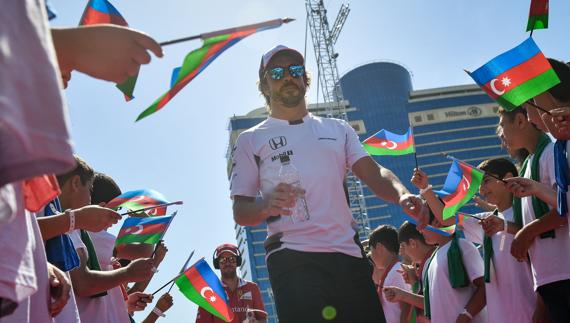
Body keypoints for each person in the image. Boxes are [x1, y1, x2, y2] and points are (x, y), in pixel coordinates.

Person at [230, 45, 423, 322]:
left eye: (295, 70)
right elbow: (241, 210)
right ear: (265, 85)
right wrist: (265, 204)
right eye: (277, 72)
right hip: (293, 258)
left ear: (305, 79)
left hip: (349, 255)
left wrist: (403, 195)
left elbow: (374, 173)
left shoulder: (337, 129)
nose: (288, 76)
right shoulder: (250, 139)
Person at [55, 156, 156, 323]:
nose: (117, 217)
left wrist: (126, 304)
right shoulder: (96, 236)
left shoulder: (75, 230)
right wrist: (144, 221)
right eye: (116, 210)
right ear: (102, 207)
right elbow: (143, 252)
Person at [196, 244, 267, 323]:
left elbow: (263, 319)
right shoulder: (209, 292)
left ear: (238, 261)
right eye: (223, 260)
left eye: (232, 259)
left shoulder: (252, 288)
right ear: (217, 264)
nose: (227, 263)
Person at [383, 221, 435, 323]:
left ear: (413, 243)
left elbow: (435, 303)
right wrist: (414, 282)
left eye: (403, 246)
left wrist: (403, 295)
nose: (403, 253)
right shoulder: (427, 264)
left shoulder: (434, 263)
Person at [368, 225, 410, 323]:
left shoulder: (397, 271)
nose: (371, 255)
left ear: (379, 247)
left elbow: (407, 308)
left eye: (371, 250)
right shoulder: (392, 272)